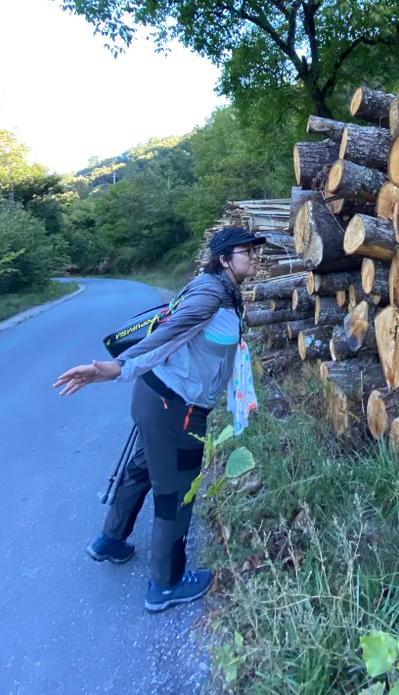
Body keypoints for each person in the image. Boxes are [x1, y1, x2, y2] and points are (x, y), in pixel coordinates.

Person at [53, 227, 263, 612]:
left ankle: (110, 540)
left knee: (142, 467)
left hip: (156, 398)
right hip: (176, 409)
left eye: (254, 250)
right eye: (246, 252)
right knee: (176, 492)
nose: (254, 257)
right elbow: (169, 333)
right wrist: (117, 367)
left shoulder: (214, 285)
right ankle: (166, 584)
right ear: (224, 259)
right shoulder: (211, 294)